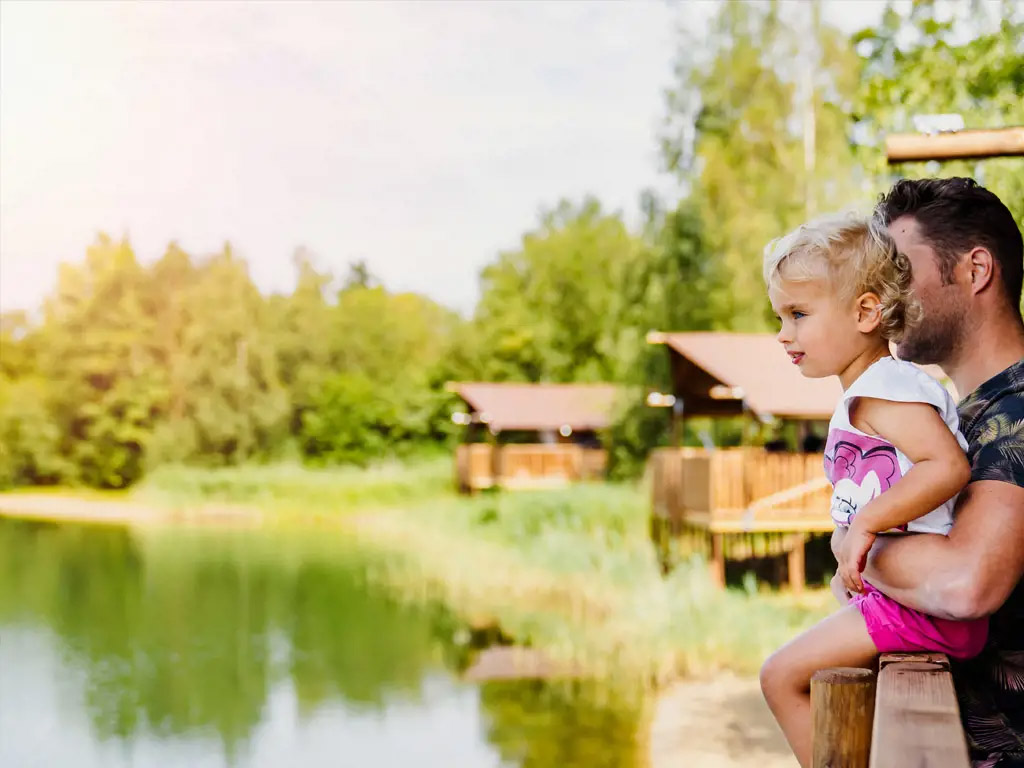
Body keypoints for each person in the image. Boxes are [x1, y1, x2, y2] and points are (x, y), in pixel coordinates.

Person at [758, 211, 987, 768]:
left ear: (864, 312)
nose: (784, 334)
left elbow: (947, 466)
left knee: (780, 676)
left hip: (927, 608)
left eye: (799, 314)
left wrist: (865, 524)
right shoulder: (873, 391)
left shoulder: (884, 390)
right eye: (781, 317)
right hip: (904, 602)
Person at [839, 178, 1024, 768]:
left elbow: (964, 582)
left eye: (897, 267)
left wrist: (850, 542)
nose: (879, 289)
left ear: (975, 271)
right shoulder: (957, 416)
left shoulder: (1017, 413)